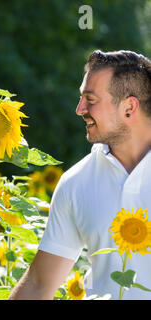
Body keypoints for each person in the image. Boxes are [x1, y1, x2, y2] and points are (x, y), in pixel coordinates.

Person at [9, 50, 151, 300]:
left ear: (129, 106)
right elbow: (39, 283)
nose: (79, 109)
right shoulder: (76, 182)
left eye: (90, 99)